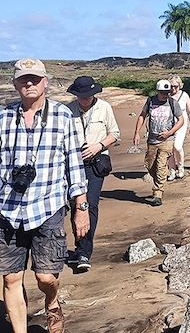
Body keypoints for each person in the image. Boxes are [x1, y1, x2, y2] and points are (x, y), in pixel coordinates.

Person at [0, 58, 88, 333]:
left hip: (48, 208)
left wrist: (81, 207)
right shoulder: (3, 118)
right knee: (11, 279)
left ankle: (52, 302)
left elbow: (73, 164)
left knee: (45, 277)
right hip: (9, 211)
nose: (29, 83)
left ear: (46, 82)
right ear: (15, 83)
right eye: (23, 79)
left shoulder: (63, 117)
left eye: (35, 78)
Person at [66, 75, 120, 272]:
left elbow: (115, 133)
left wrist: (98, 146)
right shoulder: (68, 110)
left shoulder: (104, 108)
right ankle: (78, 246)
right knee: (75, 206)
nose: (84, 99)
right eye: (81, 96)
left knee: (90, 205)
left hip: (96, 164)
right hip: (73, 165)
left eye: (87, 96)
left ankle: (83, 252)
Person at [132, 79, 184, 206]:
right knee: (150, 165)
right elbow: (142, 116)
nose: (164, 95)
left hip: (167, 141)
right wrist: (137, 132)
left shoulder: (172, 103)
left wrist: (170, 132)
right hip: (152, 140)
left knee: (161, 166)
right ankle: (158, 182)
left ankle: (158, 193)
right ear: (157, 91)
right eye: (162, 93)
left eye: (167, 92)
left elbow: (181, 120)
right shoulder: (150, 101)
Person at [166, 75, 190, 181]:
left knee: (177, 146)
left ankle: (180, 167)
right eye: (171, 86)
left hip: (181, 124)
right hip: (168, 125)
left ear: (180, 86)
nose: (173, 89)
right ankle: (172, 170)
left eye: (176, 86)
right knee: (169, 149)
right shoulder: (166, 96)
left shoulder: (184, 95)